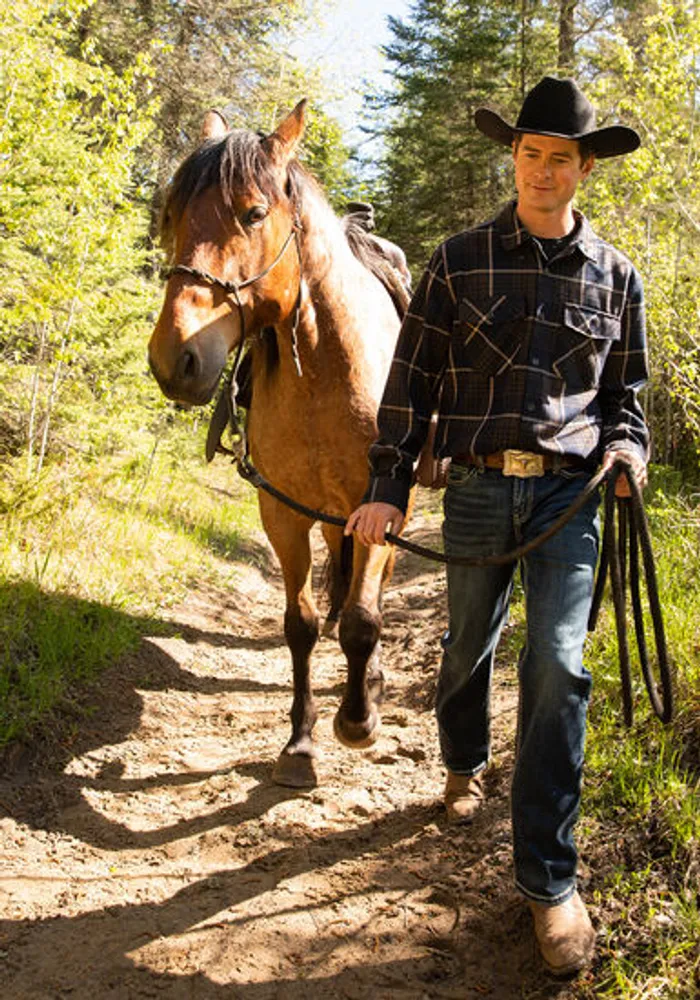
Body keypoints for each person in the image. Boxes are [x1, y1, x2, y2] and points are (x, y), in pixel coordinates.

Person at [345, 76, 649, 977]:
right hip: (478, 491)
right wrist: (388, 485)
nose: (543, 170)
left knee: (558, 663)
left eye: (561, 157)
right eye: (530, 153)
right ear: (512, 157)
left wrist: (629, 456)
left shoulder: (618, 277)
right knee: (465, 645)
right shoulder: (456, 260)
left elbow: (628, 403)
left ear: (585, 168)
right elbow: (413, 386)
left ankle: (549, 884)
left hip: (569, 499)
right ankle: (461, 760)